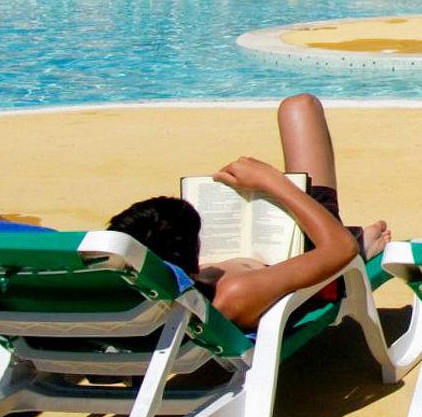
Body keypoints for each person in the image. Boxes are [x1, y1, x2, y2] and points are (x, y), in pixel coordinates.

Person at [104, 94, 388, 328]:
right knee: (301, 107)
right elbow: (341, 249)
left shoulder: (134, 294)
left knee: (296, 108)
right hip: (317, 253)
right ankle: (362, 246)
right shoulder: (233, 295)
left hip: (271, 258)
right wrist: (271, 179)